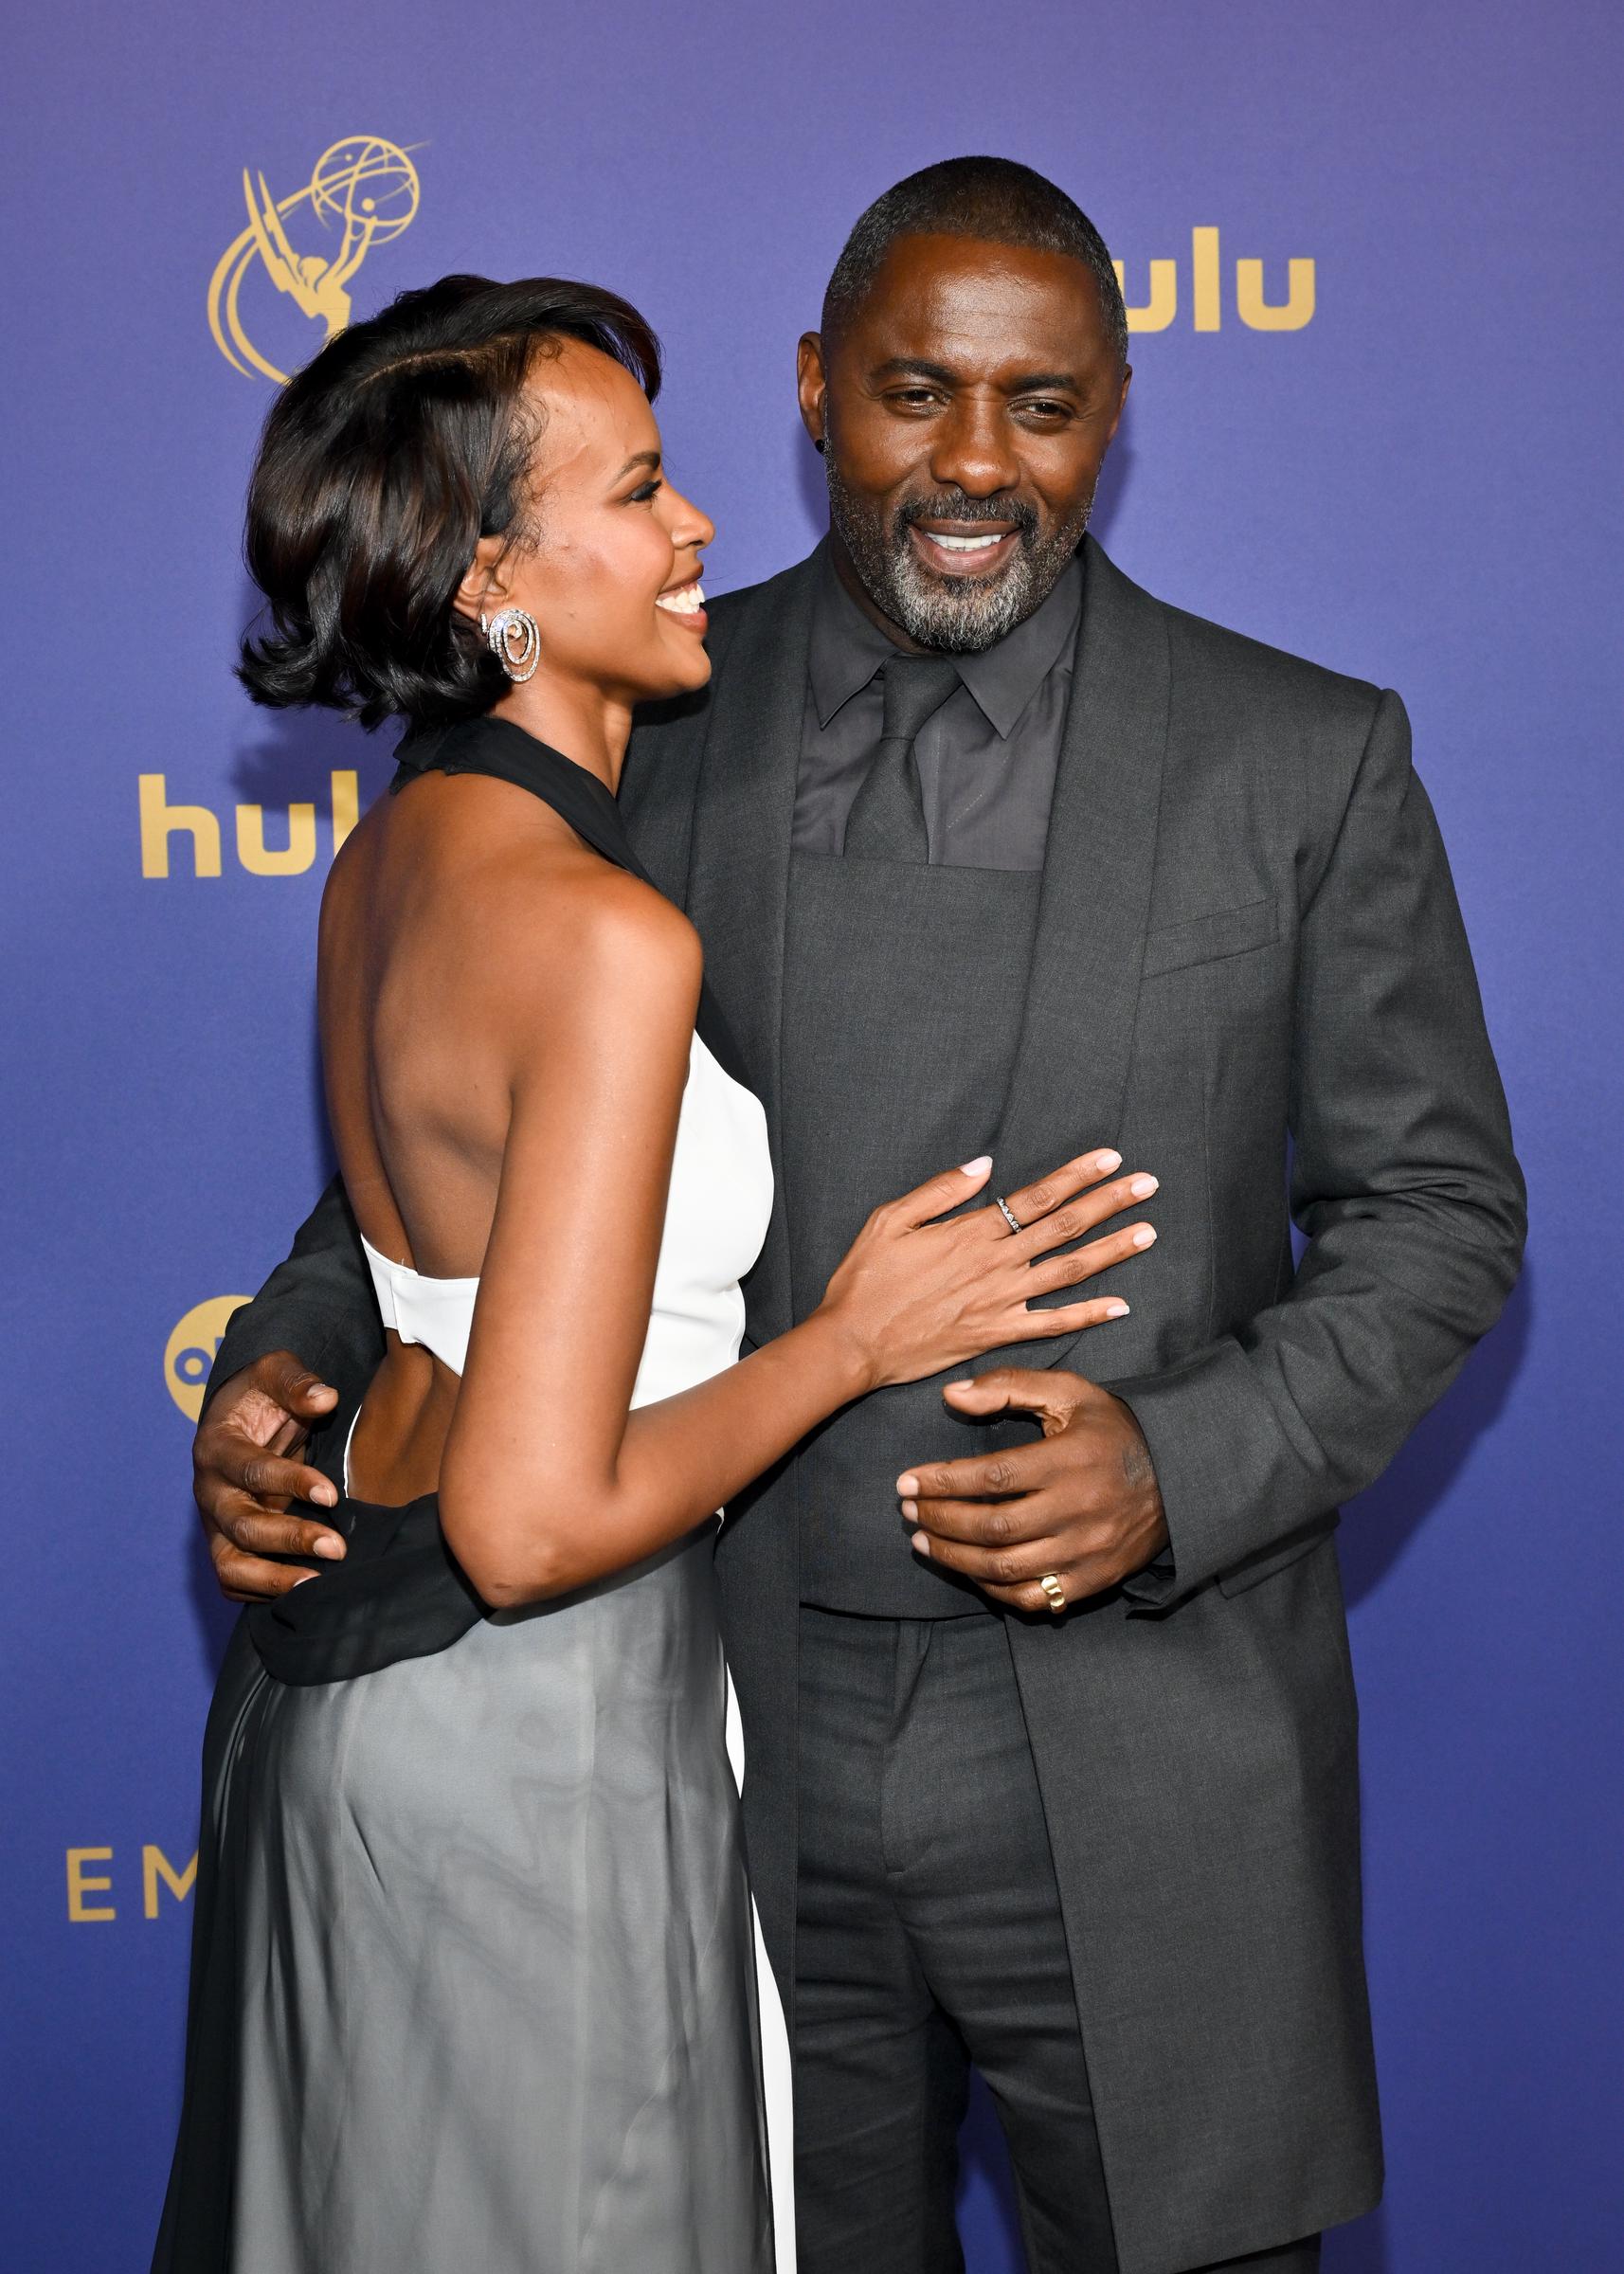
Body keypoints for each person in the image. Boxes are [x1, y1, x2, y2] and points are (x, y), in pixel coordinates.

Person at [192, 161, 1526, 2274]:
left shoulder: (1301, 760)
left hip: (1140, 1739)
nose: (977, 466)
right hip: (722, 1749)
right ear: (815, 392)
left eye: (1044, 406)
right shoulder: (635, 735)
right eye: (916, 394)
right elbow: (434, 1150)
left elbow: (1438, 1212)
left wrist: (1176, 1471)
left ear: (1115, 406)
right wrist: (299, 1358)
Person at [153, 271, 1161, 2274]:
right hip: (537, 1738)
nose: (697, 523)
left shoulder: (390, 858)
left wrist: (271, 1369)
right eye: (635, 489)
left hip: (356, 1719)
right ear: (487, 576)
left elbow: (401, 1244)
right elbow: (533, 1527)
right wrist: (850, 1337)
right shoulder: (605, 940)